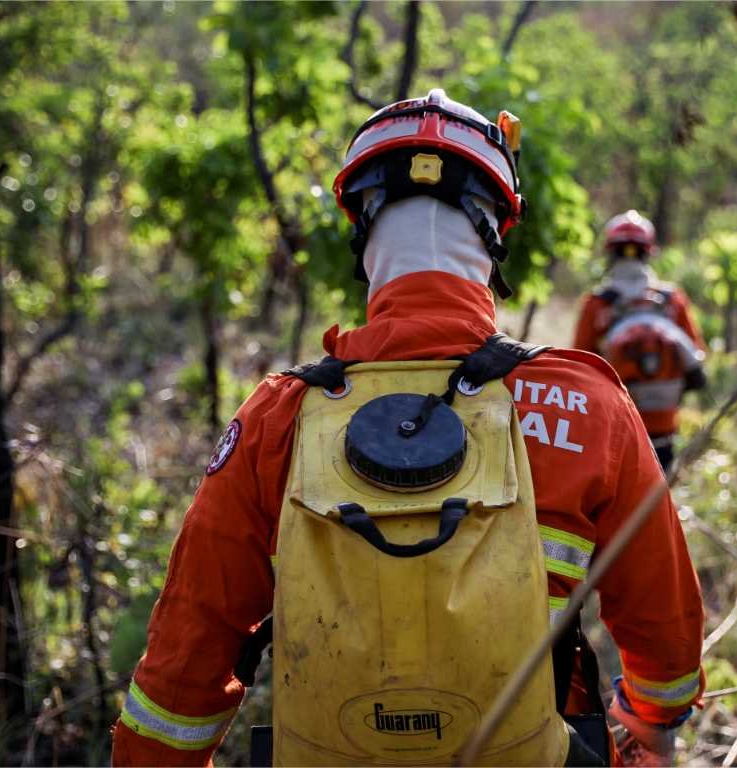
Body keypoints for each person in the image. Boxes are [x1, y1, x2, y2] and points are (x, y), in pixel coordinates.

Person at [111, 90, 704, 767]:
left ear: (362, 229)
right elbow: (666, 642)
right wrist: (645, 725)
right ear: (496, 231)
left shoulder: (278, 418)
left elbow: (184, 664)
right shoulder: (585, 404)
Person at [572, 211, 706, 470]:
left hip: (616, 424)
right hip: (664, 425)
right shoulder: (672, 299)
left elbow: (580, 367)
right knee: (660, 487)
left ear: (611, 252)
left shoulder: (596, 303)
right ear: (649, 251)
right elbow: (696, 363)